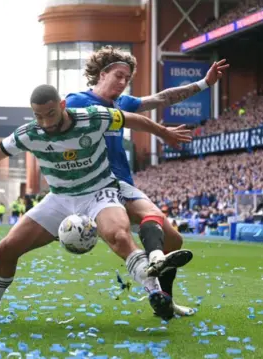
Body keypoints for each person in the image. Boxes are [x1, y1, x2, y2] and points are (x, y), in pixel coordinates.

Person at [0, 84, 193, 321]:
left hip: (99, 191)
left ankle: (155, 293)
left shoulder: (93, 117)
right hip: (59, 198)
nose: (44, 121)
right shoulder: (31, 133)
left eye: (50, 114)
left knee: (119, 236)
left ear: (62, 105)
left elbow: (130, 119)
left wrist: (162, 132)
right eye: (38, 115)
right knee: (7, 247)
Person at [65, 45, 229, 317]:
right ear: (102, 74)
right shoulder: (77, 101)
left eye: (126, 78)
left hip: (122, 183)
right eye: (118, 75)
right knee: (123, 238)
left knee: (174, 241)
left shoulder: (121, 104)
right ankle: (153, 270)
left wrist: (204, 83)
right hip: (93, 186)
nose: (123, 82)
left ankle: (164, 298)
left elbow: (162, 98)